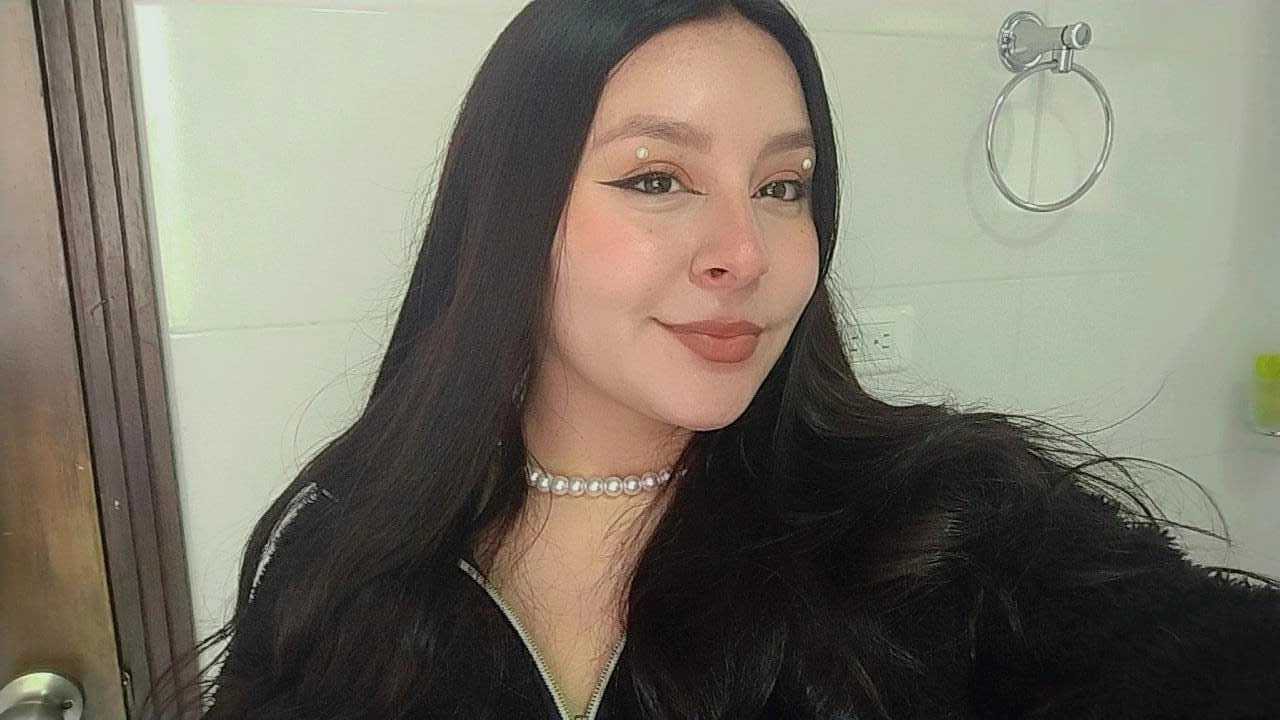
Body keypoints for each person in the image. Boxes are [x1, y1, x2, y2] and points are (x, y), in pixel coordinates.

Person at [142, 1, 1280, 719]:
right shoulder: (345, 555)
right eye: (657, 178)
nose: (747, 252)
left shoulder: (945, 523)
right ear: (510, 215)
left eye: (782, 187)